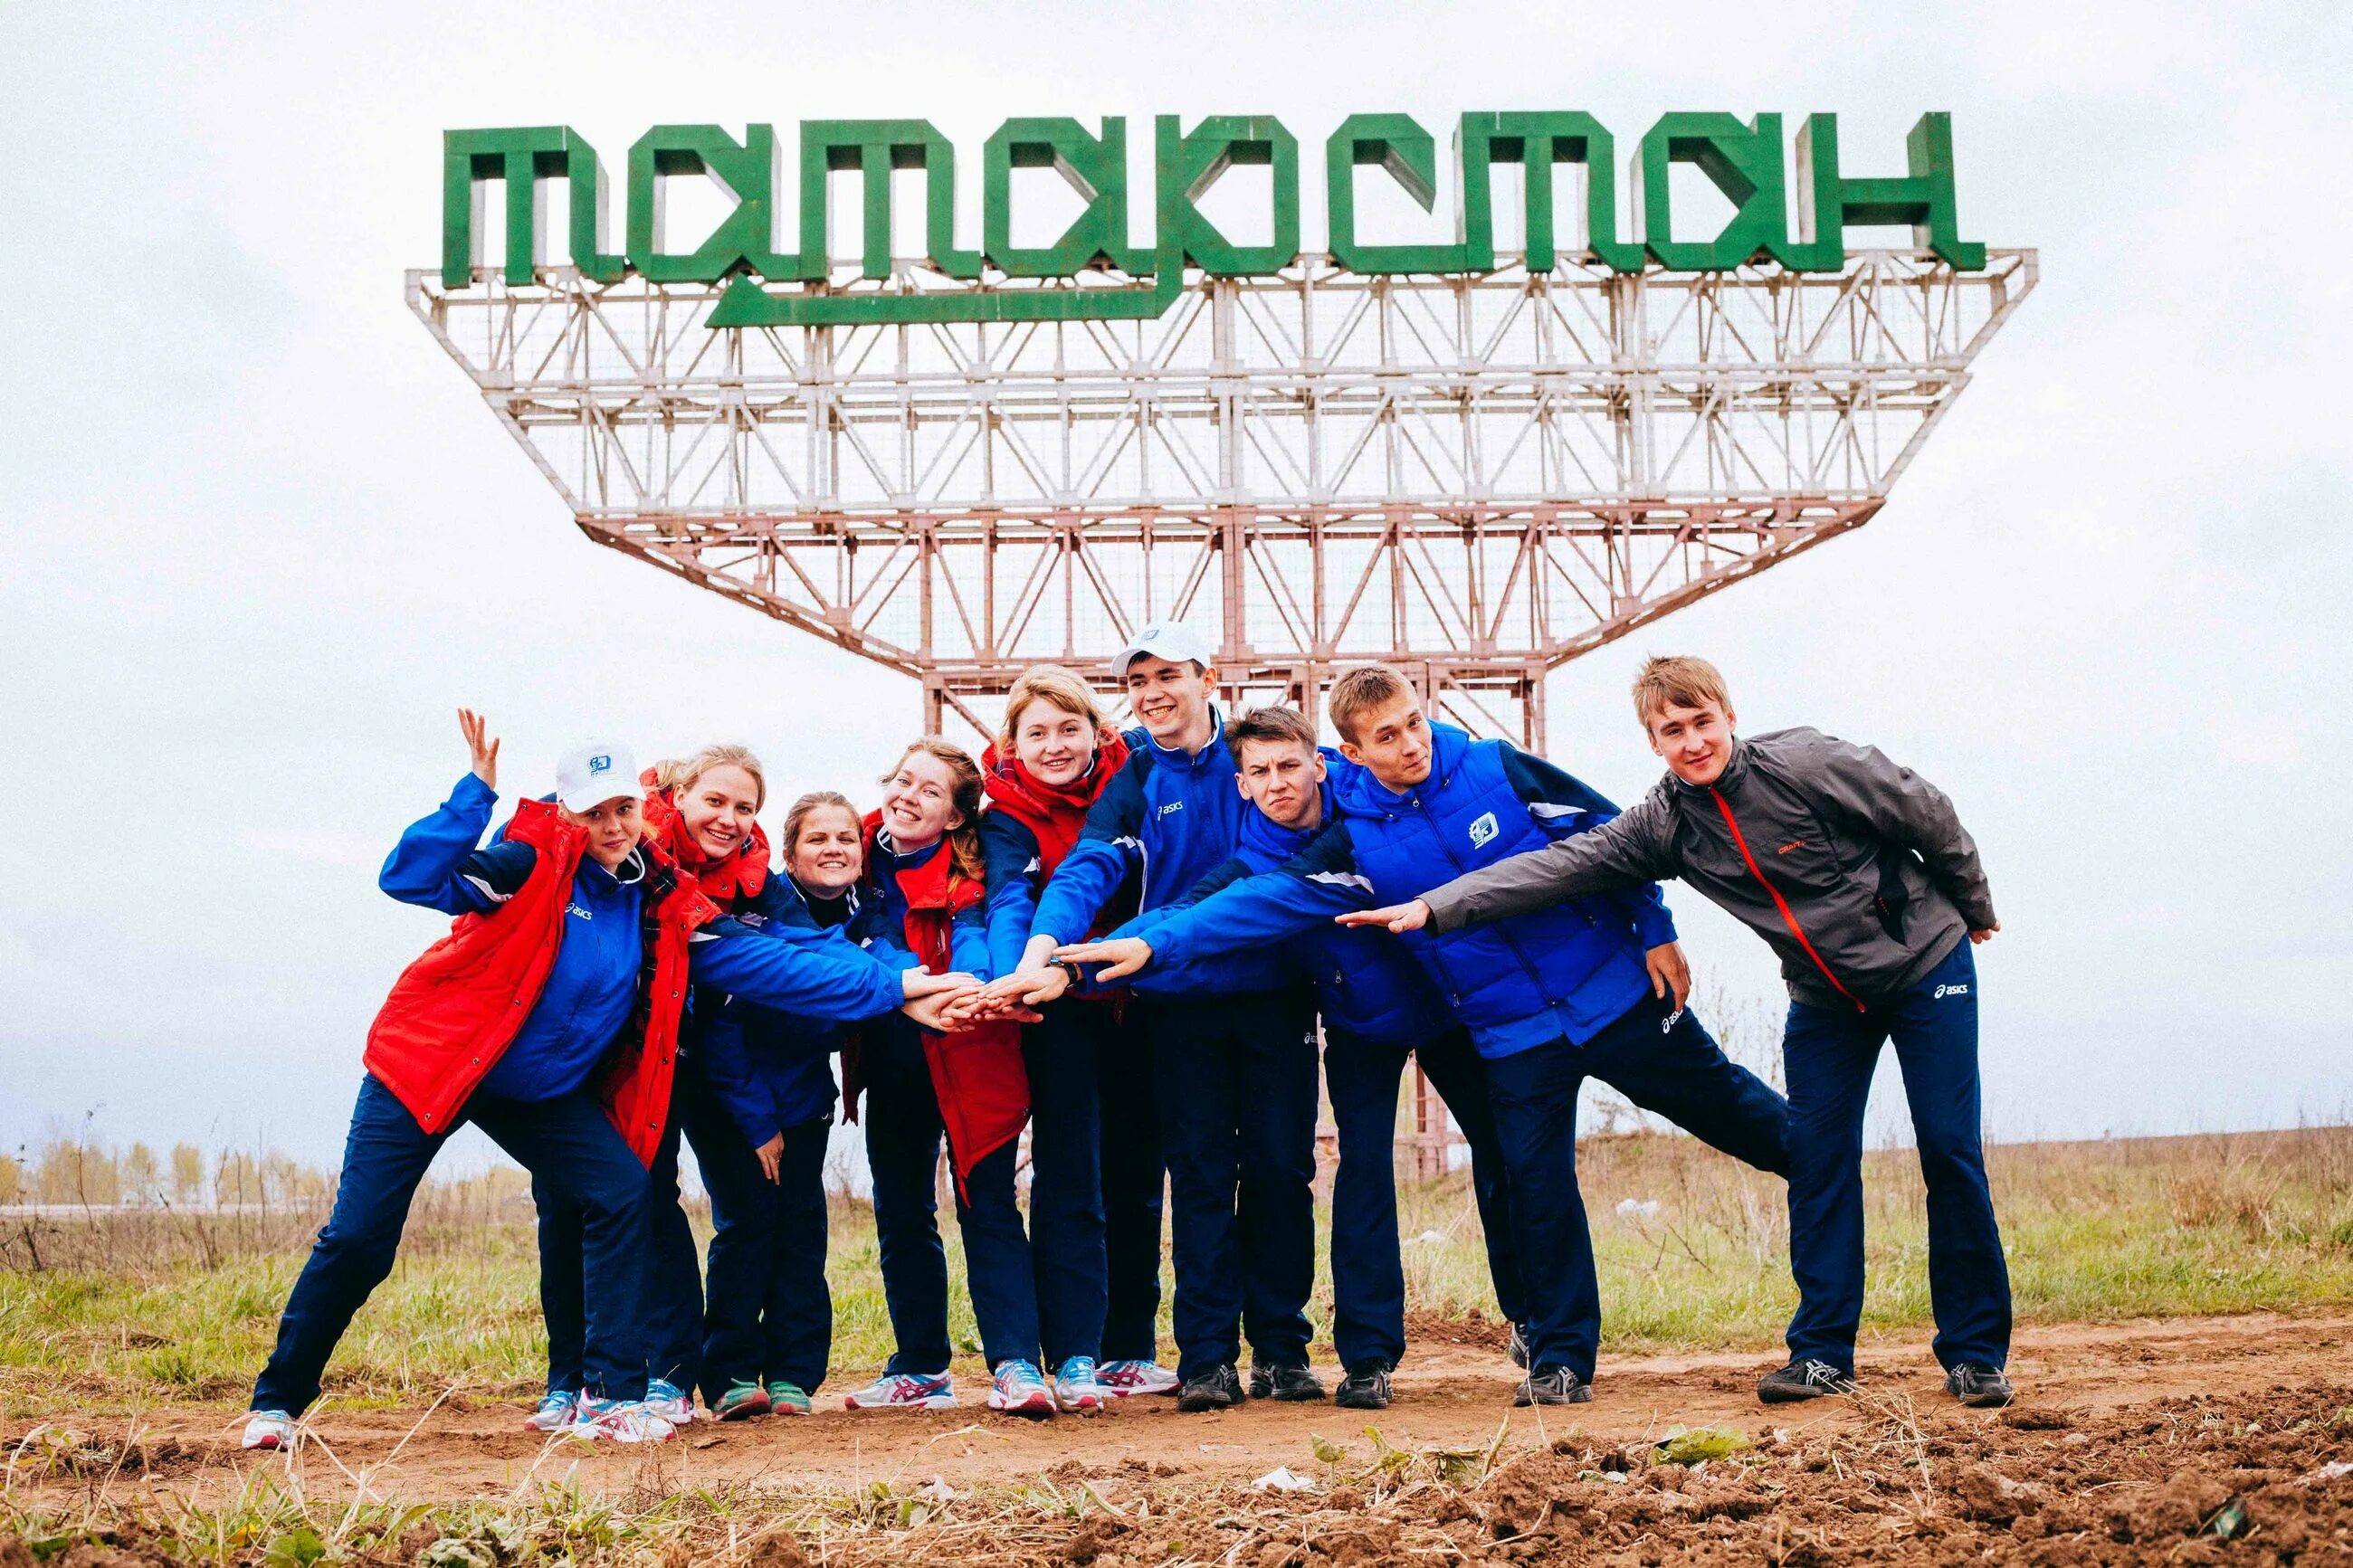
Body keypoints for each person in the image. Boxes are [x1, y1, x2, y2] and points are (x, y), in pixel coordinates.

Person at [241, 713, 973, 1451]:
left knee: (622, 1190)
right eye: (595, 810)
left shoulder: (657, 898)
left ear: (641, 809)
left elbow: (769, 960)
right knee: (363, 1237)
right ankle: (278, 1400)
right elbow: (411, 876)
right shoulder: (527, 866)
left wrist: (897, 986)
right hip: (430, 1066)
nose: (613, 824)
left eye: (623, 808)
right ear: (570, 811)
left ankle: (612, 1395)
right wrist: (475, 795)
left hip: (533, 1088)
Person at [1060, 666, 1787, 1406]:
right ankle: (1390, 1356)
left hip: (1506, 1005)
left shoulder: (1450, 781)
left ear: (1326, 760)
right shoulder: (1318, 849)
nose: (1410, 743)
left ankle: (1540, 1320)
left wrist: (1655, 929)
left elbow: (1607, 836)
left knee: (1553, 1157)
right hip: (1400, 1024)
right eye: (1386, 735)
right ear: (1345, 751)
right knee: (1409, 1178)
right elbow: (1228, 903)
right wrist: (1122, 952)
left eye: (1413, 723)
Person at [1351, 655, 2013, 1409]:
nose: (1693, 741)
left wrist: (1974, 906)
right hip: (1821, 998)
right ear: (1654, 741)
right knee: (1820, 1157)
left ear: (1728, 714)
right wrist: (1435, 908)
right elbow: (1558, 867)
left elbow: (1924, 810)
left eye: (1703, 722)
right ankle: (1823, 1352)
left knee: (1949, 1149)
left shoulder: (1806, 761)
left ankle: (1974, 1352)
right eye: (1673, 730)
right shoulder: (1665, 823)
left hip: (1925, 966)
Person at [1060, 704, 1527, 1411]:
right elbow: (1204, 906)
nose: (1277, 782)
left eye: (1289, 765)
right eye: (1259, 771)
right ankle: (1362, 1357)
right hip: (1359, 1020)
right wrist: (1076, 965)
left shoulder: (1368, 801)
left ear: (1321, 761)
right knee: (1359, 1173)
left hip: (1450, 999)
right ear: (1243, 783)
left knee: (1504, 1153)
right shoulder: (1260, 853)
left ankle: (1536, 1319)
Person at [983, 626, 1321, 1413]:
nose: (1153, 691)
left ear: (1207, 676)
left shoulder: (1256, 754)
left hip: (1274, 994)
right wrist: (1041, 948)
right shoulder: (1134, 772)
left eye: (1168, 674)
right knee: (1199, 1178)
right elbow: (1090, 862)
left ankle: (1281, 1348)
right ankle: (1206, 1356)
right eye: (1138, 680)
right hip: (1174, 1004)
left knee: (1281, 1173)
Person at [529, 745, 783, 1432]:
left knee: (659, 1202)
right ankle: (571, 1379)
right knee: (568, 1208)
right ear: (677, 794)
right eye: (715, 801)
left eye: (745, 807)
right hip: (605, 1054)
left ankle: (673, 1376)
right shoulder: (631, 850)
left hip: (695, 1056)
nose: (728, 819)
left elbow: (787, 954)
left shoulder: (761, 883)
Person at [975, 665, 1174, 1411]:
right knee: (1071, 1176)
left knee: (1138, 1174)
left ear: (1099, 731)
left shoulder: (1143, 779)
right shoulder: (1006, 815)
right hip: (1062, 1000)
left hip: (1148, 996)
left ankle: (1130, 1346)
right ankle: (1074, 1350)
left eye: (1069, 728)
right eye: (1037, 732)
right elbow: (1010, 897)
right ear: (1013, 742)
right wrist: (1015, 975)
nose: (1055, 745)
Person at [841, 739, 1053, 1415]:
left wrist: (972, 987)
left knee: (986, 1204)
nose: (908, 795)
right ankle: (921, 1364)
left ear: (956, 817)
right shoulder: (862, 852)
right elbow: (869, 930)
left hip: (969, 1045)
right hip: (895, 1054)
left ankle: (1017, 1362)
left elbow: (980, 928)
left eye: (930, 791)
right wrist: (915, 981)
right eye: (903, 779)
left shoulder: (975, 863)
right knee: (901, 1209)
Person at [694, 790, 869, 1419]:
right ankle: (730, 1372)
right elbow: (720, 1026)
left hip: (803, 1102)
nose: (833, 848)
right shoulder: (759, 911)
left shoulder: (861, 914)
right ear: (789, 856)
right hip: (736, 1100)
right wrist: (758, 1122)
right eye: (816, 839)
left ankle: (795, 1373)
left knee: (801, 1229)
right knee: (747, 1225)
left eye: (845, 838)